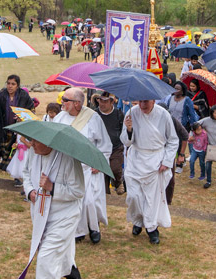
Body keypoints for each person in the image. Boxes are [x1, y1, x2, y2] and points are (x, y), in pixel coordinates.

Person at [20, 136, 86, 279]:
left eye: (35, 142)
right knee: (59, 251)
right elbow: (26, 173)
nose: (31, 145)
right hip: (40, 212)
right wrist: (30, 190)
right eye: (30, 141)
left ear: (49, 143)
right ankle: (73, 275)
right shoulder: (34, 152)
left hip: (64, 215)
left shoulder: (68, 159)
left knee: (47, 255)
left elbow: (78, 191)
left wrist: (52, 187)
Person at [54, 88, 111, 252]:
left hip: (88, 167)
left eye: (66, 100)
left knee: (89, 201)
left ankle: (94, 228)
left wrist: (98, 163)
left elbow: (104, 144)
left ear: (77, 104)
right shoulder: (60, 117)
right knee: (73, 201)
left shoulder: (93, 118)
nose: (62, 102)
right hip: (68, 167)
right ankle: (78, 231)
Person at [121, 99, 179, 245]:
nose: (142, 106)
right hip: (136, 159)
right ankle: (138, 220)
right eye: (140, 102)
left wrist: (166, 161)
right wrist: (129, 129)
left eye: (146, 102)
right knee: (134, 195)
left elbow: (173, 140)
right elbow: (126, 142)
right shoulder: (131, 113)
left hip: (155, 160)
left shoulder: (164, 115)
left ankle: (152, 228)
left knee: (151, 198)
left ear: (153, 100)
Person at [0, 75, 36, 174]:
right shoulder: (2, 95)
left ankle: (17, 173)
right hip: (4, 128)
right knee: (6, 150)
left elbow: (32, 110)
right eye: (8, 83)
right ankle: (10, 170)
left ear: (17, 85)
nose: (10, 86)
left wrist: (22, 117)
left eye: (13, 84)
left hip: (19, 129)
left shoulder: (23, 95)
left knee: (15, 151)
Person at [94, 92, 125, 195]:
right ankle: (105, 194)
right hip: (99, 148)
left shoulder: (118, 114)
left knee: (115, 168)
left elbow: (123, 130)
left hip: (116, 147)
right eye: (100, 100)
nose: (102, 104)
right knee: (102, 172)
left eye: (105, 101)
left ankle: (118, 182)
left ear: (112, 102)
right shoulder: (95, 114)